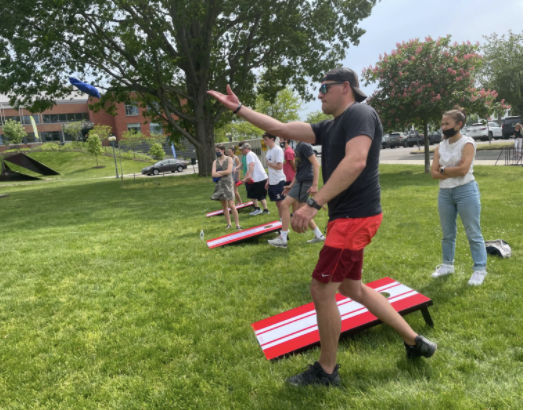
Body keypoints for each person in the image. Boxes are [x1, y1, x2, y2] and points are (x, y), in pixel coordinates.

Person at [208, 67, 436, 387]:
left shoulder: (360, 112)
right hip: (350, 218)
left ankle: (327, 372)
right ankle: (415, 341)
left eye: (323, 87)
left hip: (355, 218)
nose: (319, 94)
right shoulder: (328, 128)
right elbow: (277, 126)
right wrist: (238, 107)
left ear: (345, 87)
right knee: (351, 287)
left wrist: (315, 203)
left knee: (321, 288)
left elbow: (356, 160)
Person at [431, 106, 488, 286]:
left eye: (447, 123)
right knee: (448, 233)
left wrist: (443, 169)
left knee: (473, 232)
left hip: (466, 190)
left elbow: (464, 171)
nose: (443, 126)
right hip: (445, 193)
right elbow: (434, 173)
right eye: (442, 123)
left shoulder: (467, 143)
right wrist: (450, 170)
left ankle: (479, 269)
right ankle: (447, 265)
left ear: (459, 124)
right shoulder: (440, 147)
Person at [267, 137, 324, 248]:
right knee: (300, 211)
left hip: (305, 182)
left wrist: (315, 185)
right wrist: (291, 185)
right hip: (300, 181)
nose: (282, 140)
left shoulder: (304, 145)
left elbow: (316, 164)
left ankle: (283, 239)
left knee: (284, 204)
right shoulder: (298, 146)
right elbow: (299, 171)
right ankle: (319, 235)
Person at [211, 144, 242, 230]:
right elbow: (213, 174)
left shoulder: (229, 159)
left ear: (223, 150)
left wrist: (219, 172)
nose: (217, 152)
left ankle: (237, 224)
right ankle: (229, 224)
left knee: (232, 205)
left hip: (228, 184)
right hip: (219, 185)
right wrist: (221, 173)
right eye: (216, 151)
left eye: (219, 150)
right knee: (224, 205)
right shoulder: (215, 162)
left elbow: (229, 171)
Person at [263, 133, 288, 222]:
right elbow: (271, 169)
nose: (264, 141)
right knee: (278, 203)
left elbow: (279, 166)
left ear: (272, 139)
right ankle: (282, 222)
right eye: (264, 139)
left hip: (279, 180)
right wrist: (268, 180)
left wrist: (269, 164)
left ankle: (284, 225)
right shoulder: (269, 151)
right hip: (272, 181)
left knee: (281, 203)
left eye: (266, 139)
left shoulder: (277, 150)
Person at [241, 143, 269, 215]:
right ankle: (265, 210)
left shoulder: (249, 154)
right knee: (261, 195)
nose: (241, 151)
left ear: (246, 149)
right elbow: (249, 167)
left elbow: (252, 165)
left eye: (242, 149)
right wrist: (246, 176)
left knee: (252, 194)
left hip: (257, 179)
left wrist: (248, 176)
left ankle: (257, 209)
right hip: (261, 177)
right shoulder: (251, 154)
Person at [280, 137, 296, 216]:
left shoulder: (289, 151)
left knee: (292, 197)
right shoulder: (285, 151)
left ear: (285, 140)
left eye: (281, 140)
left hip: (291, 177)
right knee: (291, 196)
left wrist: (296, 174)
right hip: (286, 177)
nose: (280, 141)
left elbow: (294, 165)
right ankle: (293, 212)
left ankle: (294, 212)